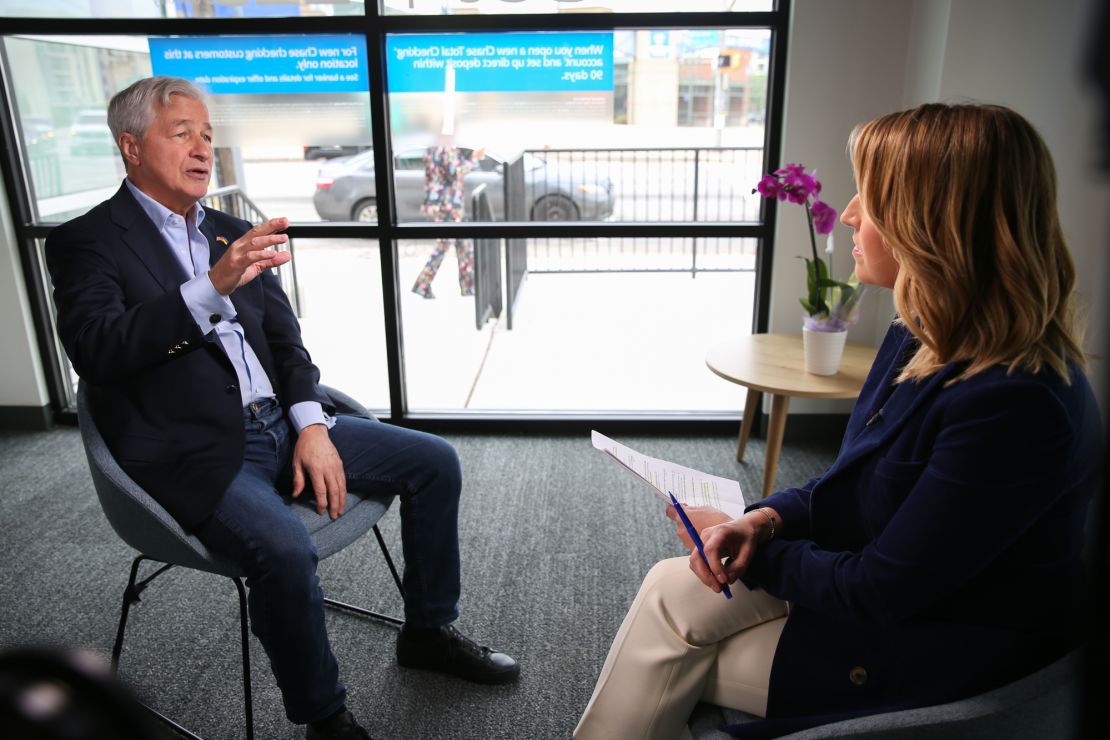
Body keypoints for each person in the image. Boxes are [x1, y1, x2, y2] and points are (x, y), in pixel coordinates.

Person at [575, 102, 1103, 739]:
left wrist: (762, 555)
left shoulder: (1018, 405)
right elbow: (851, 483)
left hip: (939, 646)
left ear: (932, 225)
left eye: (871, 198)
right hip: (894, 590)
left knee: (666, 647)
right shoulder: (919, 335)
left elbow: (884, 590)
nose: (849, 212)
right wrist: (763, 520)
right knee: (669, 590)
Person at [45, 76, 519, 740]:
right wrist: (209, 288)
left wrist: (312, 427)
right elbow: (98, 351)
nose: (203, 147)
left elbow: (288, 347)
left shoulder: (233, 231)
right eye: (182, 132)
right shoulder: (87, 243)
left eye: (208, 134)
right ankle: (324, 717)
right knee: (285, 551)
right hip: (194, 452)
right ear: (130, 147)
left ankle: (428, 630)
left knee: (434, 462)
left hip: (281, 423)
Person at [411, 140, 484, 299]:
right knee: (443, 246)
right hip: (448, 205)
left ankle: (469, 287)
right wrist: (474, 158)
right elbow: (454, 171)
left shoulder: (433, 148)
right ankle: (422, 285)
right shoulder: (445, 147)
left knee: (464, 245)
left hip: (443, 203)